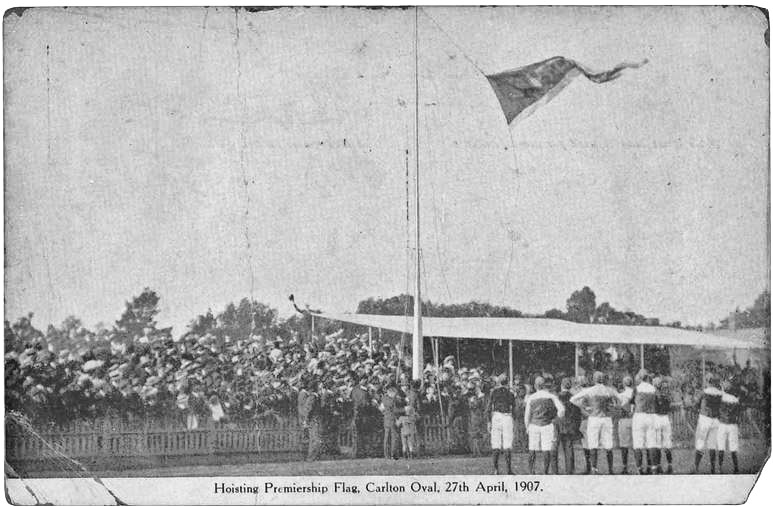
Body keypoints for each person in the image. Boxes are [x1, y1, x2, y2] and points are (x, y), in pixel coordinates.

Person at [570, 371, 619, 474]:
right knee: (608, 444)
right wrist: (613, 407)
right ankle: (610, 469)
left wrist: (584, 407)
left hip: (594, 418)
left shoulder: (590, 390)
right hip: (606, 418)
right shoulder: (609, 390)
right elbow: (619, 400)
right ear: (603, 379)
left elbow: (573, 399)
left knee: (593, 444)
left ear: (594, 379)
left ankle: (594, 469)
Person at [525, 376, 565, 474]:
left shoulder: (531, 397)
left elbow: (527, 415)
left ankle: (531, 472)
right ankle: (545, 471)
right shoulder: (551, 396)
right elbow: (562, 410)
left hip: (534, 425)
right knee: (546, 449)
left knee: (532, 448)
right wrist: (556, 419)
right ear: (544, 385)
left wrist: (527, 427)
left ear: (535, 386)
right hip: (547, 425)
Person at [693, 374, 723, 473]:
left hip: (704, 419)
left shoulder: (704, 392)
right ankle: (713, 467)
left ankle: (696, 467)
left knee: (700, 443)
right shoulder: (720, 393)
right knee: (712, 444)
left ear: (707, 381)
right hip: (715, 420)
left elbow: (696, 405)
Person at [486, 374, 515, 474]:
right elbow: (513, 409)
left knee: (496, 443)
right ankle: (509, 470)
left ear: (499, 382)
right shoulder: (510, 394)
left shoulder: (494, 392)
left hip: (496, 417)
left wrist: (489, 421)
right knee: (507, 444)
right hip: (507, 417)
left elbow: (489, 408)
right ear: (507, 382)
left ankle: (495, 469)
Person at [631, 369, 657, 474]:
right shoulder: (653, 389)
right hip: (651, 416)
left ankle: (639, 468)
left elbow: (632, 404)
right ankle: (653, 467)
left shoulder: (636, 388)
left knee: (638, 443)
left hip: (639, 416)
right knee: (651, 443)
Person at [556, 377, 583, 474]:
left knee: (555, 448)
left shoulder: (557, 397)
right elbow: (578, 413)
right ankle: (569, 470)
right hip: (570, 426)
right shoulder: (574, 397)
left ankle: (555, 470)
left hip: (559, 425)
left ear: (561, 385)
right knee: (569, 448)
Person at [717, 377, 741, 474]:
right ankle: (736, 467)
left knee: (721, 446)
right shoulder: (735, 400)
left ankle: (720, 467)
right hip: (732, 424)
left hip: (722, 424)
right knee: (733, 447)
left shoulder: (720, 398)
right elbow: (738, 414)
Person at [653, 376, 674, 474]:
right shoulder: (666, 394)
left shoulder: (654, 394)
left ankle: (659, 466)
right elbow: (669, 405)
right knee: (667, 443)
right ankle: (670, 465)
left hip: (657, 417)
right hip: (665, 418)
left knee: (657, 443)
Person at [616, 375, 635, 474]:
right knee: (636, 444)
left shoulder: (621, 395)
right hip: (635, 419)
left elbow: (620, 407)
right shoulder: (635, 393)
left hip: (624, 419)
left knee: (624, 445)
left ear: (624, 384)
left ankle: (624, 466)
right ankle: (638, 466)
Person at [379, 382, 403, 459]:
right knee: (394, 437)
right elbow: (395, 410)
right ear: (391, 392)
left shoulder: (383, 398)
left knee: (386, 438)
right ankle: (393, 454)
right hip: (393, 419)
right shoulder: (393, 400)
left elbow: (381, 409)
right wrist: (404, 410)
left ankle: (386, 454)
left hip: (386, 420)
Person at [350, 374, 370, 458]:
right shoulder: (361, 390)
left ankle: (357, 452)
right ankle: (358, 453)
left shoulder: (355, 389)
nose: (366, 381)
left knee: (358, 435)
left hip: (358, 414)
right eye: (365, 379)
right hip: (360, 414)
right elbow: (363, 402)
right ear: (361, 380)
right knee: (360, 434)